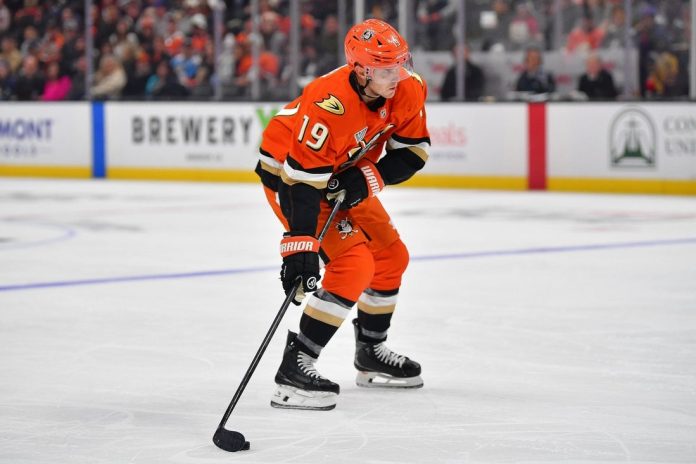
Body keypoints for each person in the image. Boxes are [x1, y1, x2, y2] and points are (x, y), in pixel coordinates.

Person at [254, 19, 429, 411]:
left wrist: (366, 179)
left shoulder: (408, 88)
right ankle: (295, 368)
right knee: (353, 265)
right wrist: (300, 246)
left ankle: (370, 353)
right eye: (386, 69)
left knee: (391, 257)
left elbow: (413, 152)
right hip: (292, 179)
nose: (397, 75)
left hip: (344, 173)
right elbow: (301, 181)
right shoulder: (327, 104)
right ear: (361, 70)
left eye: (400, 65)